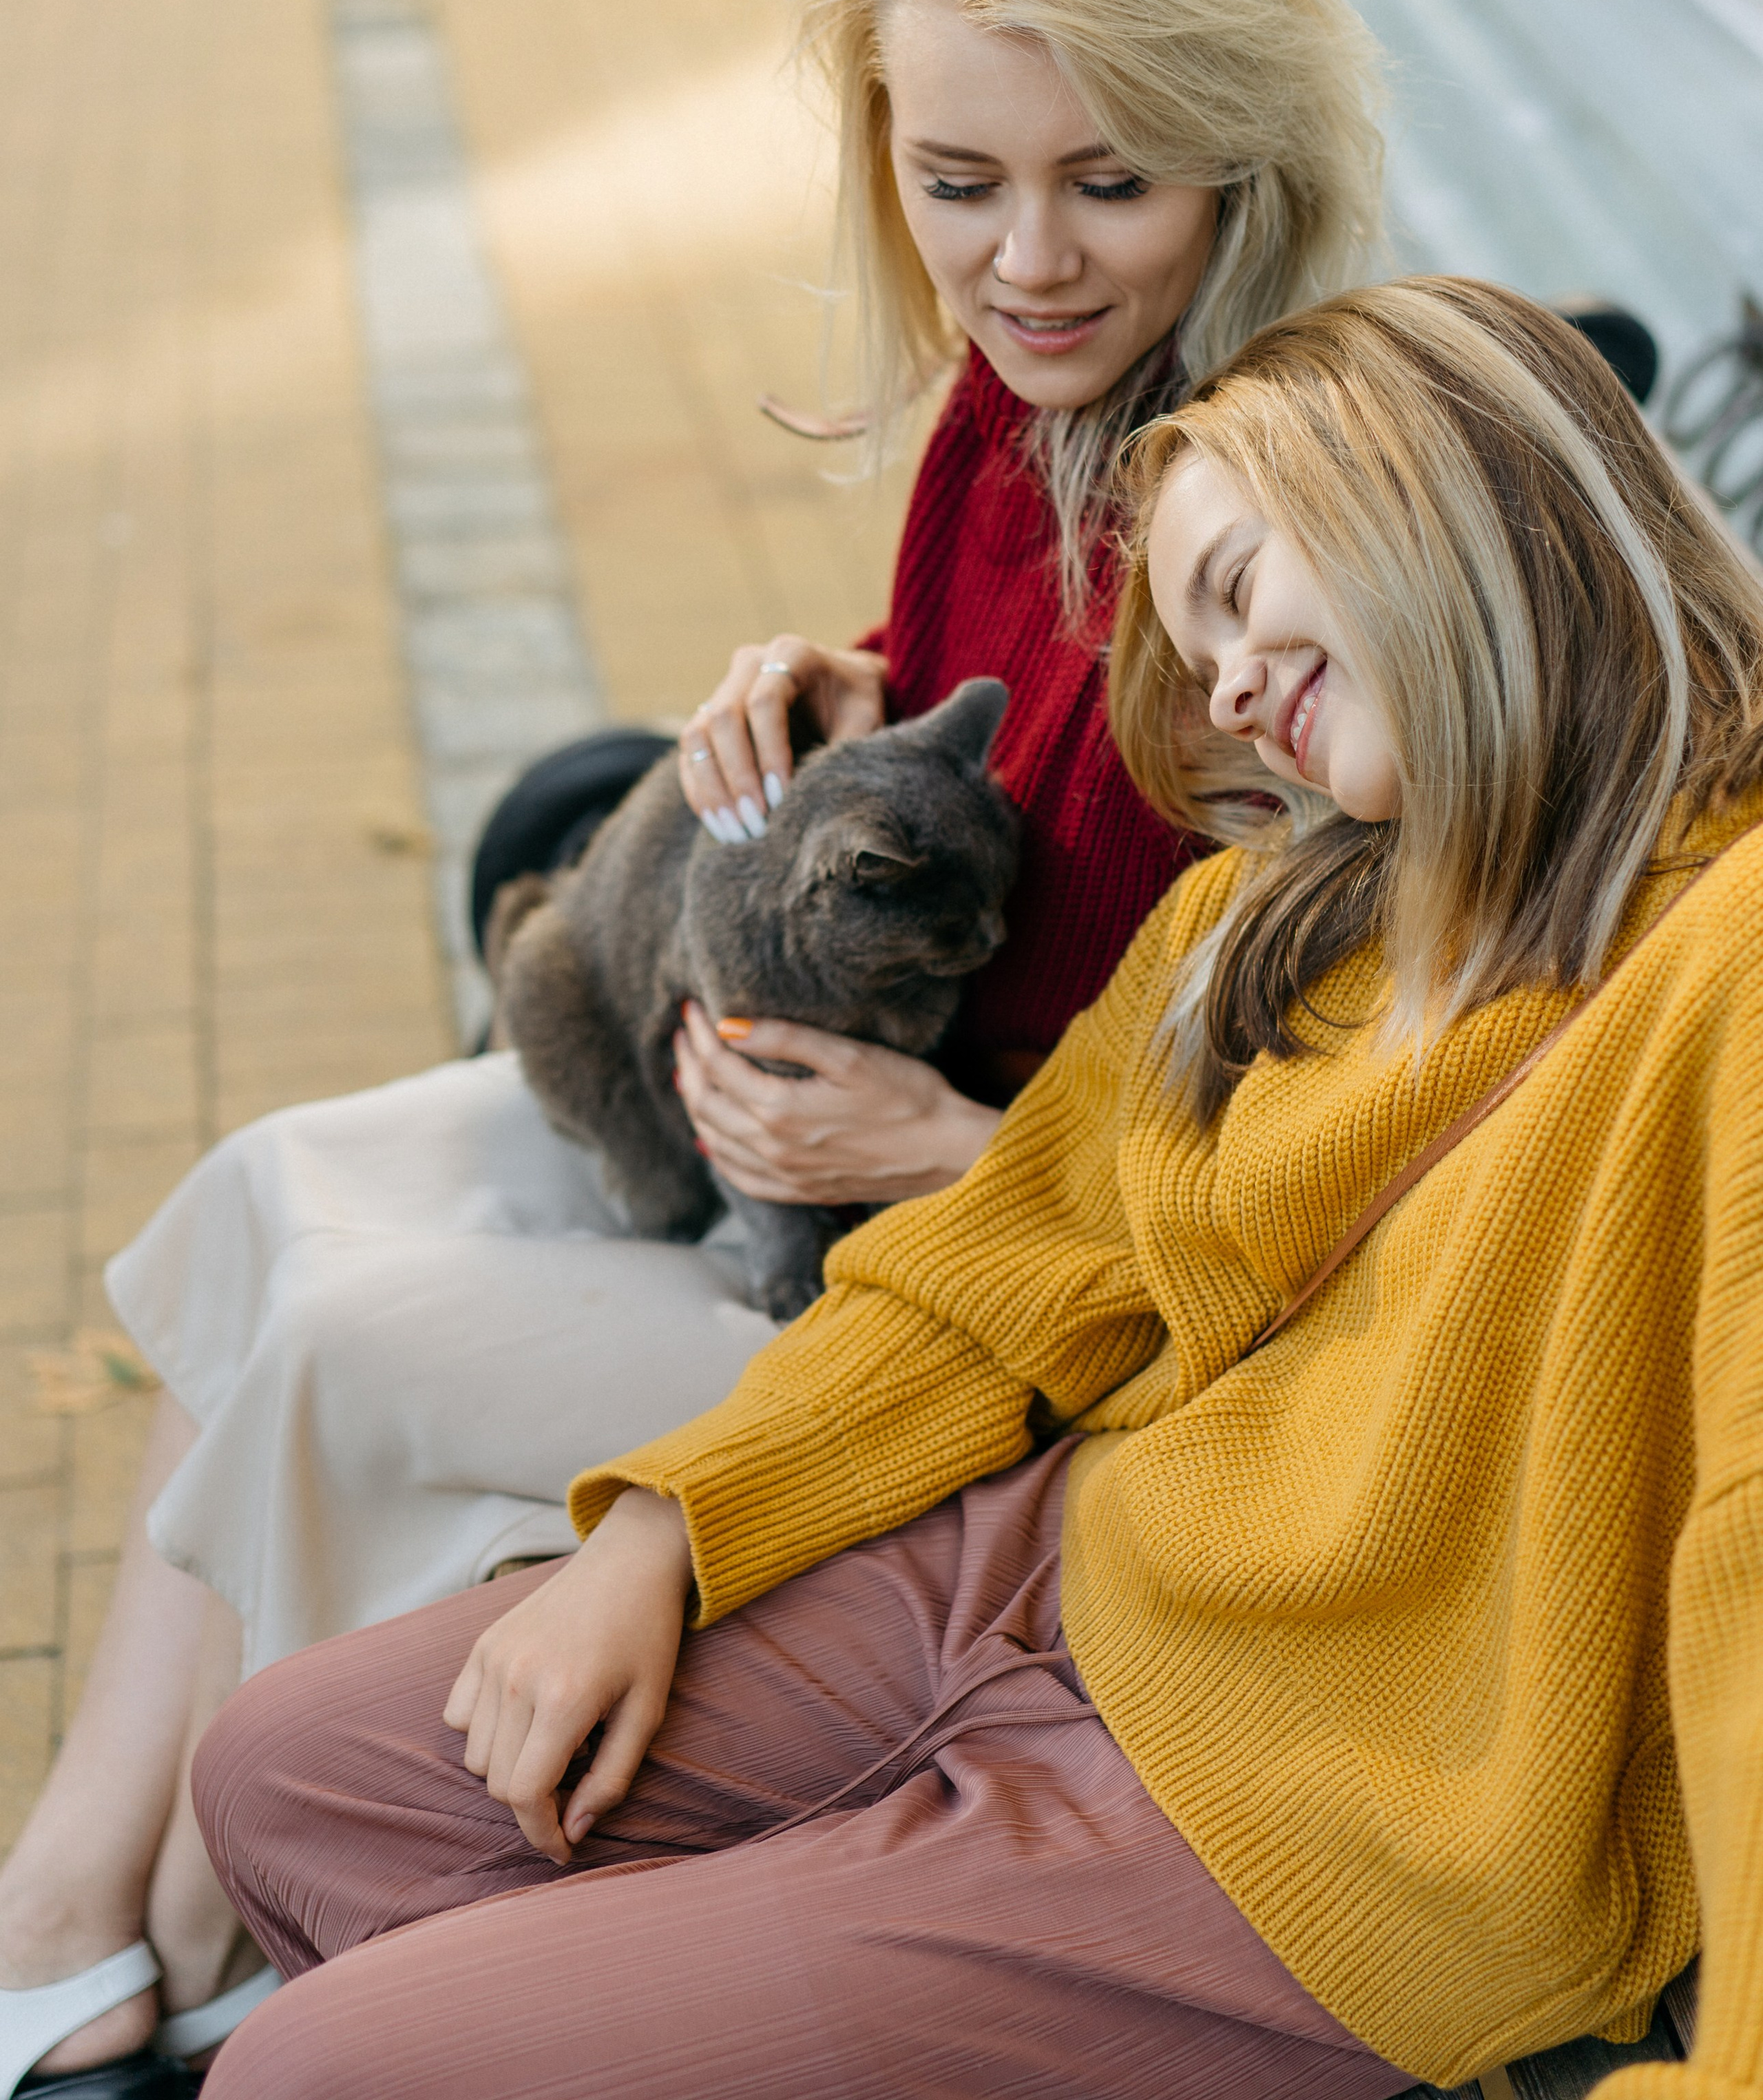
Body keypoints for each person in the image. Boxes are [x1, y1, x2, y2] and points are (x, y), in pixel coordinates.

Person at [0, 0, 1382, 2092]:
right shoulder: (1007, 412)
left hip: (990, 1321)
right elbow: (999, 740)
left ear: (1247, 160)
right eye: (958, 185)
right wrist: (834, 703)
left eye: (1110, 182)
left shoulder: (1277, 537)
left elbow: (1327, 1130)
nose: (1028, 259)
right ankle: (79, 1899)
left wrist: (949, 1146)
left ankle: (182, 1959)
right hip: (802, 1132)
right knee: (268, 1192)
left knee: (345, 1339)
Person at [191, 280, 1763, 2100]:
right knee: (283, 1778)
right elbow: (1000, 1263)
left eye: (1243, 590)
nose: (1234, 687)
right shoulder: (1278, 908)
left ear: (1433, 493)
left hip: (1312, 1827)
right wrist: (663, 1532)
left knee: (310, 2073)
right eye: (1200, 639)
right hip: (1053, 1568)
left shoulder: (1723, 961)